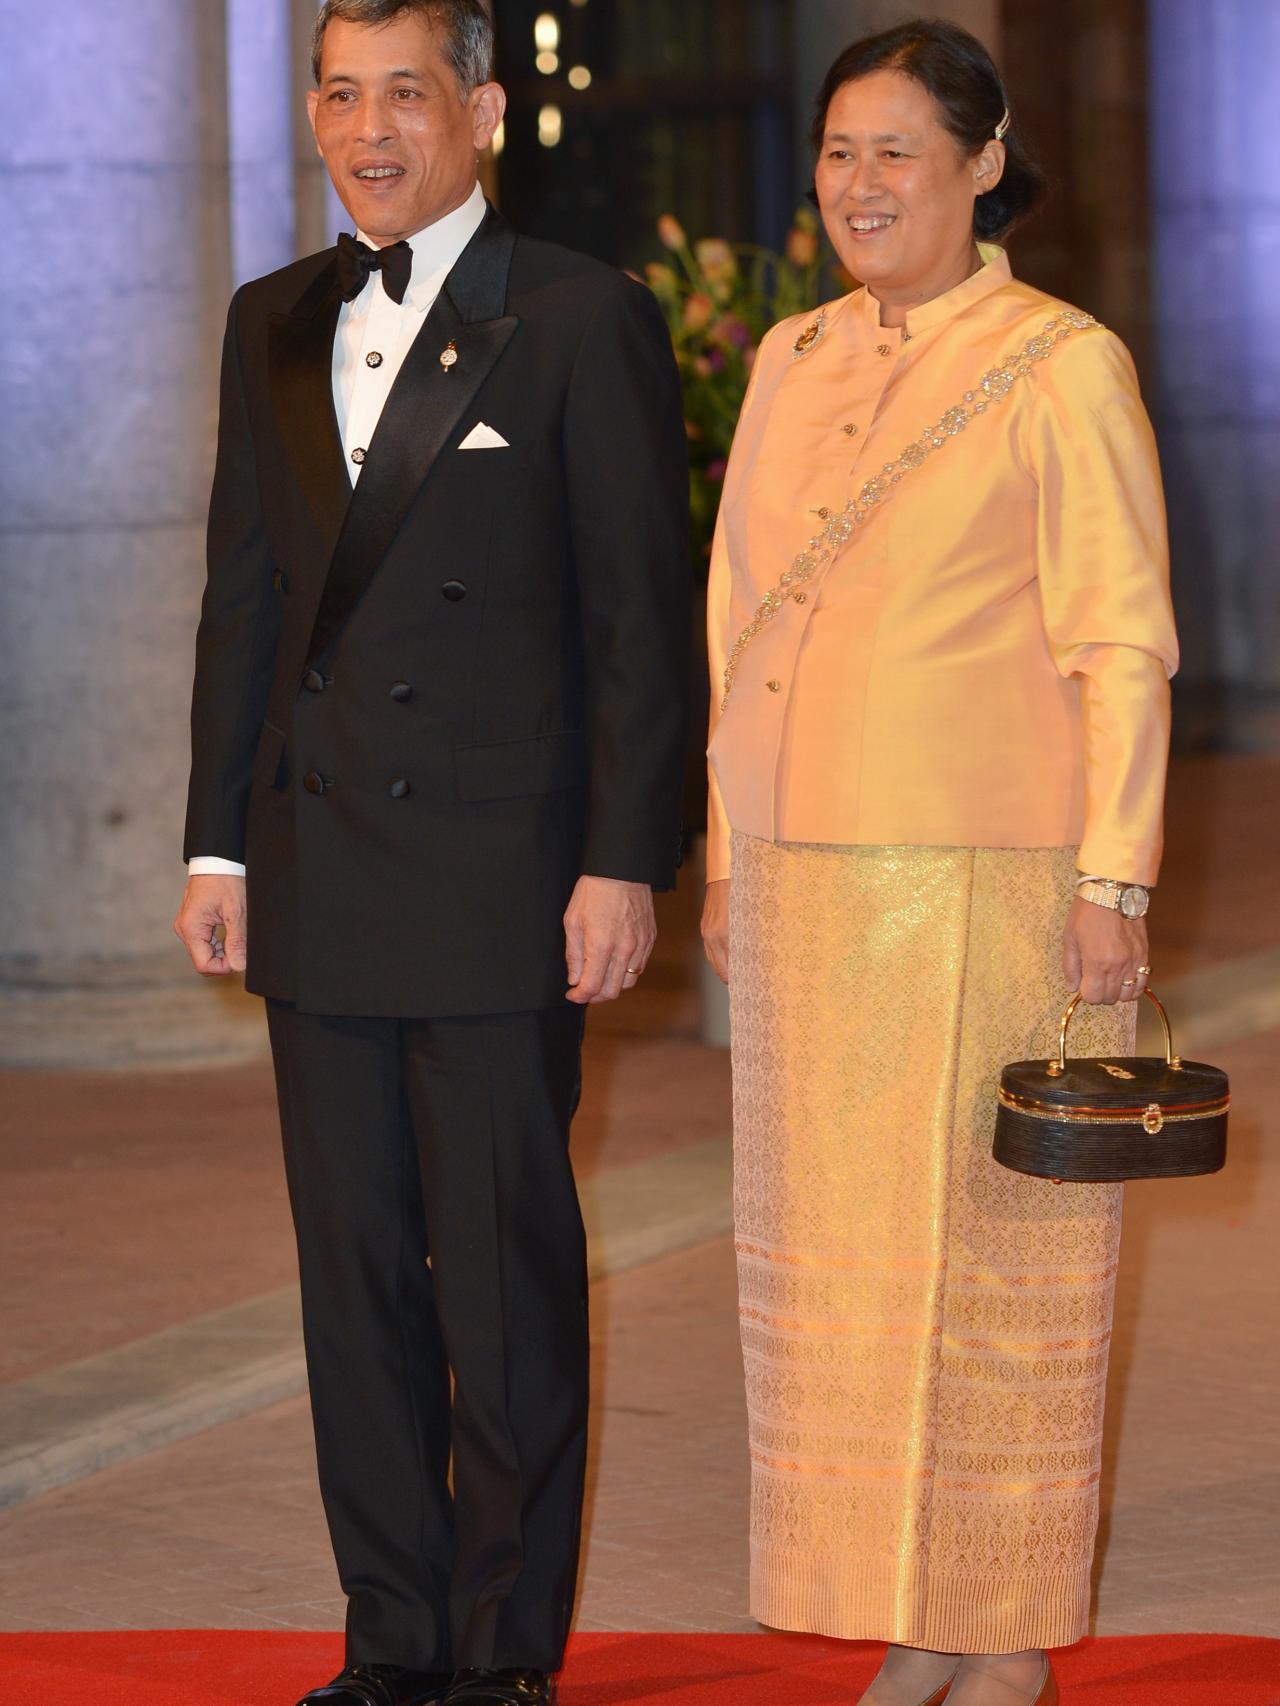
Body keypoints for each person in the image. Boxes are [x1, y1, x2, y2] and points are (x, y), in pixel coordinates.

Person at [174, 3, 689, 1703]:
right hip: (316, 872)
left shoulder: (577, 313)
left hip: (494, 885)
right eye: (340, 93)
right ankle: (389, 1646)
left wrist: (625, 861)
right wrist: (216, 850)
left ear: (481, 109)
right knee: (352, 1293)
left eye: (407, 93)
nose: (370, 128)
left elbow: (636, 624)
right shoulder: (271, 320)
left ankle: (503, 1660)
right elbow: (245, 601)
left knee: (500, 1288)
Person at [701, 20, 1176, 1706]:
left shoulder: (1061, 362)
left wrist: (1113, 883)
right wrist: (724, 848)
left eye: (898, 150)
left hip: (990, 875)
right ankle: (911, 1612)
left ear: (984, 164)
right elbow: (732, 617)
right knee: (847, 1278)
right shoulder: (790, 358)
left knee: (989, 1259)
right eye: (839, 152)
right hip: (810, 873)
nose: (859, 184)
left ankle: (1005, 1627)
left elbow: (1122, 641)